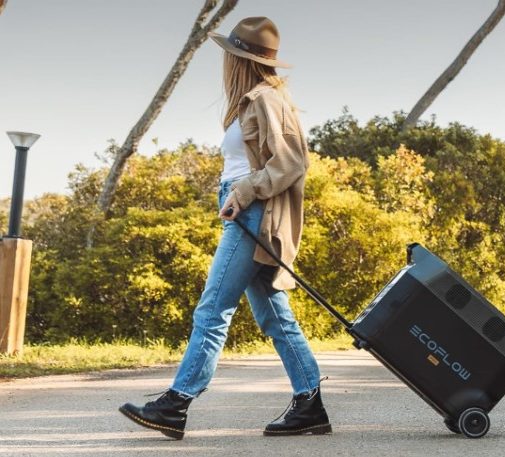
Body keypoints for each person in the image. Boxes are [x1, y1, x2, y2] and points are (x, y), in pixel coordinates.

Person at [118, 16, 332, 440]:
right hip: (244, 208)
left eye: (229, 56)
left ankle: (176, 404)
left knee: (213, 308)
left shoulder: (267, 99)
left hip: (254, 213)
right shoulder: (250, 100)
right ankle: (310, 406)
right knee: (275, 317)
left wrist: (245, 191)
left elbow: (292, 162)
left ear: (240, 60)